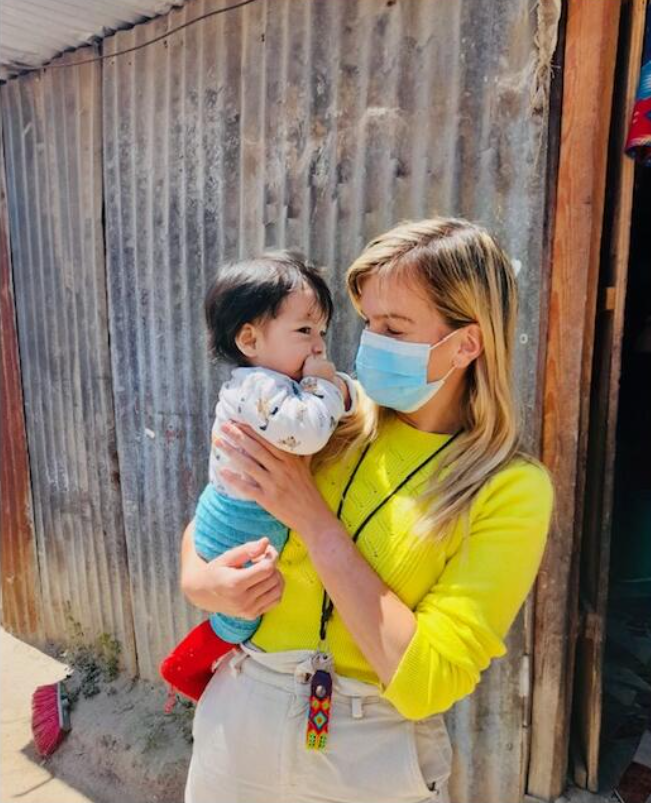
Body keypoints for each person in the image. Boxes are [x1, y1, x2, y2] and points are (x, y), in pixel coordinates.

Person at [180, 218, 554, 803]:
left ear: (466, 344)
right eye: (368, 323)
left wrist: (314, 521)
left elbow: (429, 681)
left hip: (372, 755)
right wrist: (200, 580)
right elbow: (222, 502)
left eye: (394, 327)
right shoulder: (325, 419)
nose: (367, 343)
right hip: (241, 716)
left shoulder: (510, 488)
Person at [160, 252, 356, 704]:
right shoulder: (258, 388)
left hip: (240, 511)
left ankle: (193, 669)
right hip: (237, 520)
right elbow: (307, 432)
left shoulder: (274, 384)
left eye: (321, 332)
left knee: (247, 604)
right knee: (243, 613)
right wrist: (329, 386)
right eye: (305, 331)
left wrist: (334, 388)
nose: (318, 346)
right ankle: (185, 669)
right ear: (249, 338)